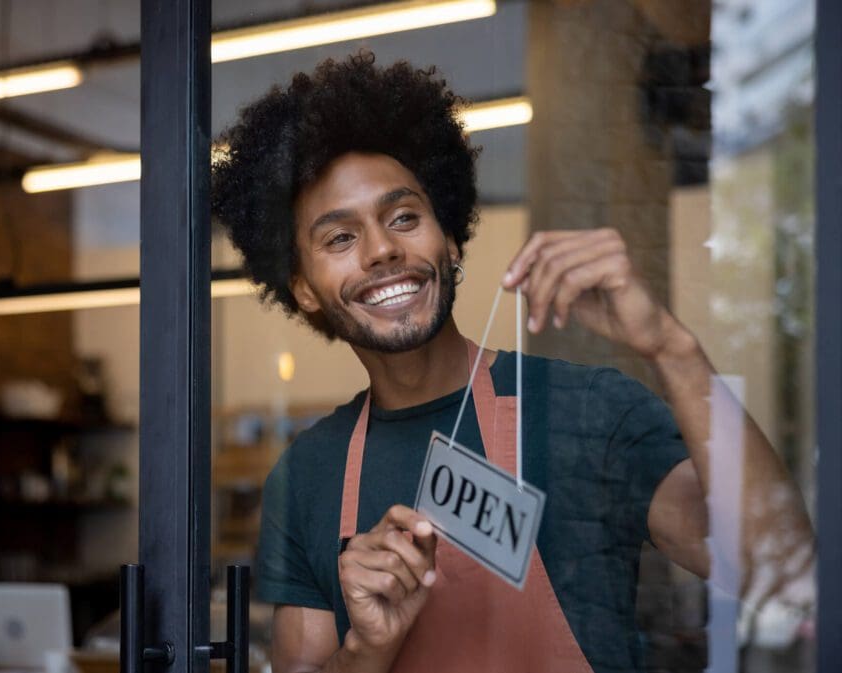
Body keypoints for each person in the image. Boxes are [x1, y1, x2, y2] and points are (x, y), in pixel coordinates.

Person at [211, 53, 813, 673]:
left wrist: (670, 345)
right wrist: (368, 645)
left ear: (448, 238)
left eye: (404, 217)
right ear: (304, 287)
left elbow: (781, 571)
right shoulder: (308, 472)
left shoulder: (589, 411)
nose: (383, 249)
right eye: (340, 238)